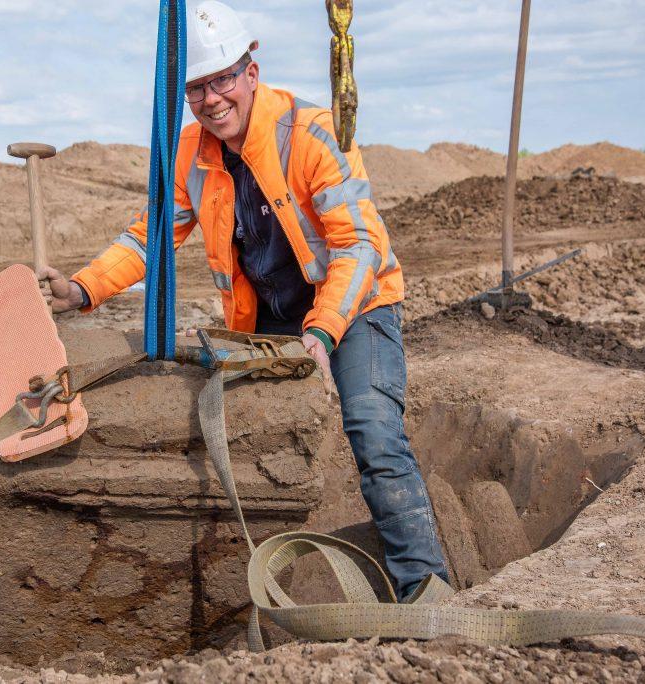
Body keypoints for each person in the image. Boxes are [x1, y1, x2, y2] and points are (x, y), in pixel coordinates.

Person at [40, 0, 448, 600]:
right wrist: (83, 288)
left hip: (356, 306)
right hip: (271, 319)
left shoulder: (310, 135)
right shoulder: (189, 152)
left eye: (222, 80)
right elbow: (150, 237)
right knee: (252, 436)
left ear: (250, 72)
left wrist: (325, 330)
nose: (211, 99)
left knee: (373, 431)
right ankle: (267, 579)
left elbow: (358, 245)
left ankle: (426, 585)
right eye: (197, 88)